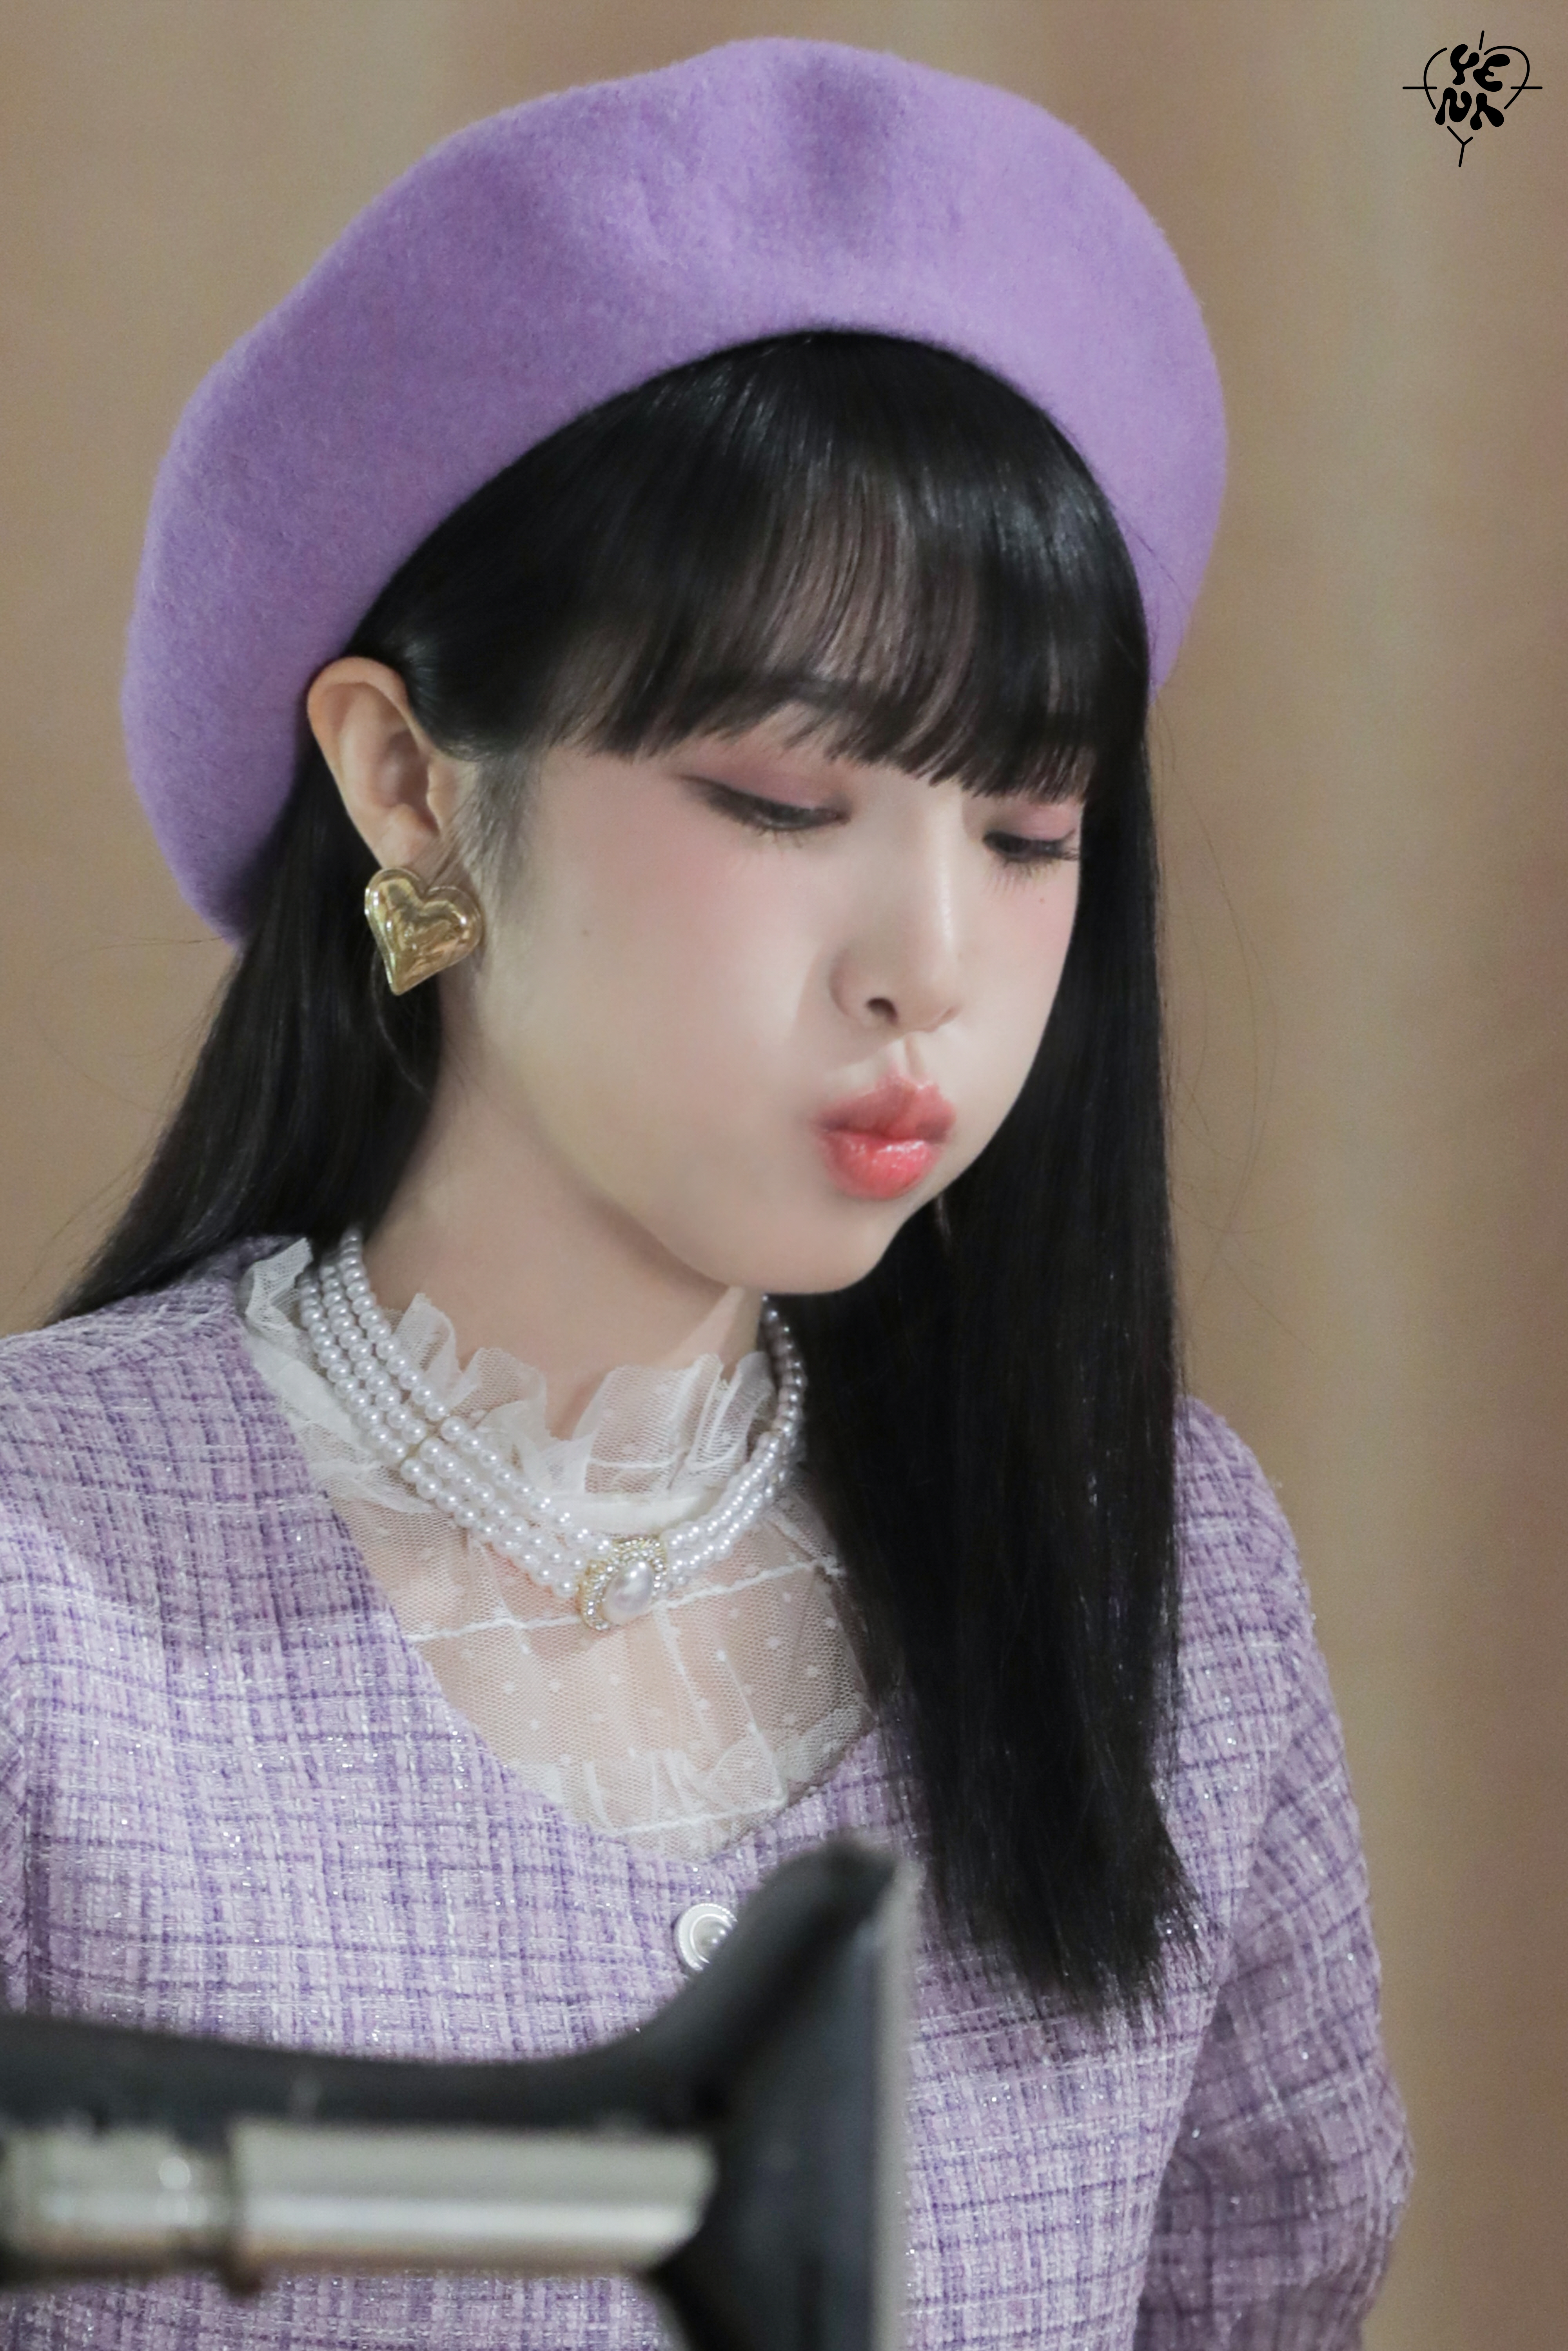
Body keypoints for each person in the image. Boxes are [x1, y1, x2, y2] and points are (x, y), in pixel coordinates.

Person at [0, 37, 1410, 2351]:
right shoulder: (43, 1603)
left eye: (1030, 831)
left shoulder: (1171, 1593)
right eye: (781, 800)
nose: (930, 962)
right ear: (405, 780)